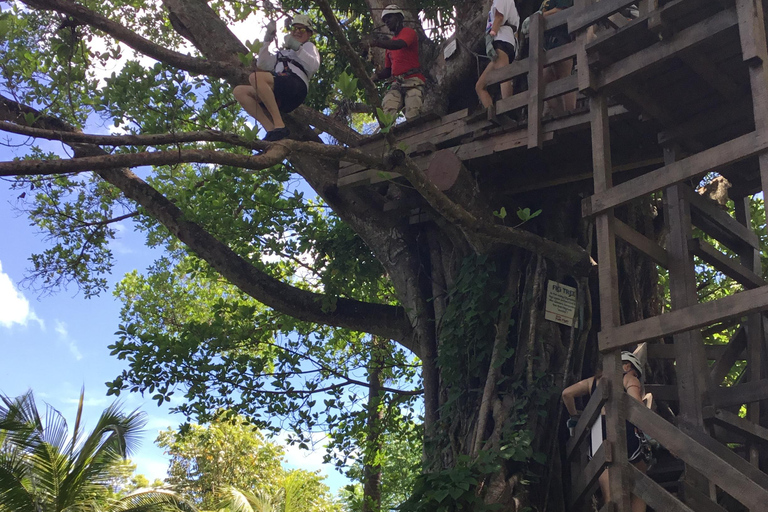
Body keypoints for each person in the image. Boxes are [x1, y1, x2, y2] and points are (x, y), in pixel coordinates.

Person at [562, 351, 651, 512]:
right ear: (627, 365)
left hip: (598, 438)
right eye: (635, 372)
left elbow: (566, 394)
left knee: (610, 497)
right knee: (640, 485)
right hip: (625, 432)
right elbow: (638, 407)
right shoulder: (628, 378)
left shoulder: (593, 382)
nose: (635, 376)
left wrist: (575, 416)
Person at [233, 15, 320, 141]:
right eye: (294, 29)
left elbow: (313, 66)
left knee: (255, 77)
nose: (296, 32)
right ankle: (271, 130)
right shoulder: (283, 54)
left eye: (301, 29)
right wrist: (267, 39)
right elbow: (261, 63)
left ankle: (279, 125)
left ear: (309, 33)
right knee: (240, 91)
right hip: (282, 90)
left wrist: (298, 48)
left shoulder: (308, 47)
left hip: (296, 86)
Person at [369, 5, 426, 121]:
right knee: (387, 110)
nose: (387, 22)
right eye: (385, 20)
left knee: (413, 112)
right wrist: (376, 76)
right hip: (397, 82)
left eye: (389, 17)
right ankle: (388, 136)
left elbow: (399, 44)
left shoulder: (408, 33)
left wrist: (375, 43)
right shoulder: (389, 46)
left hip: (413, 80)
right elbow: (388, 71)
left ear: (399, 18)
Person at [522, 0, 576, 115]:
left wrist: (537, 17)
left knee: (564, 77)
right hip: (546, 46)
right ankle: (558, 112)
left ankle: (571, 112)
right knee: (543, 82)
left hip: (561, 40)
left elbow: (561, 9)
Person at [475, 0, 520, 109]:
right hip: (506, 42)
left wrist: (491, 35)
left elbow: (499, 18)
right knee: (480, 86)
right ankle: (490, 111)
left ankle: (508, 109)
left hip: (502, 40)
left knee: (503, 76)